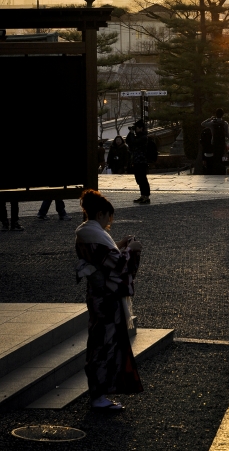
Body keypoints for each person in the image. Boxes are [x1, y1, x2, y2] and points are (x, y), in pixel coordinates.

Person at [75, 189, 143, 411]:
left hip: (98, 296)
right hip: (106, 298)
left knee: (99, 342)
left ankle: (100, 393)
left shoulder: (87, 233)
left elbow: (107, 258)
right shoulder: (96, 237)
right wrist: (132, 251)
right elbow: (118, 266)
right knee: (104, 344)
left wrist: (121, 244)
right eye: (108, 217)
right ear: (101, 213)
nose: (109, 222)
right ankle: (98, 396)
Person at [126, 120, 150, 204]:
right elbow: (128, 141)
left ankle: (146, 196)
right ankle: (142, 195)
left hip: (142, 161)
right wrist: (131, 133)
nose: (135, 129)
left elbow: (134, 142)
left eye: (136, 128)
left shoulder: (144, 137)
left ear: (140, 128)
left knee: (143, 179)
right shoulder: (137, 136)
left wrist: (132, 134)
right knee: (138, 179)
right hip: (136, 160)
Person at [201, 109, 229, 175]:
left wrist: (210, 119)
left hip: (214, 143)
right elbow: (227, 134)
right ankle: (222, 171)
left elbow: (202, 124)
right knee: (221, 157)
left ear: (216, 114)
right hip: (222, 143)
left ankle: (216, 171)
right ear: (223, 115)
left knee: (215, 158)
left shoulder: (212, 123)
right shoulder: (225, 123)